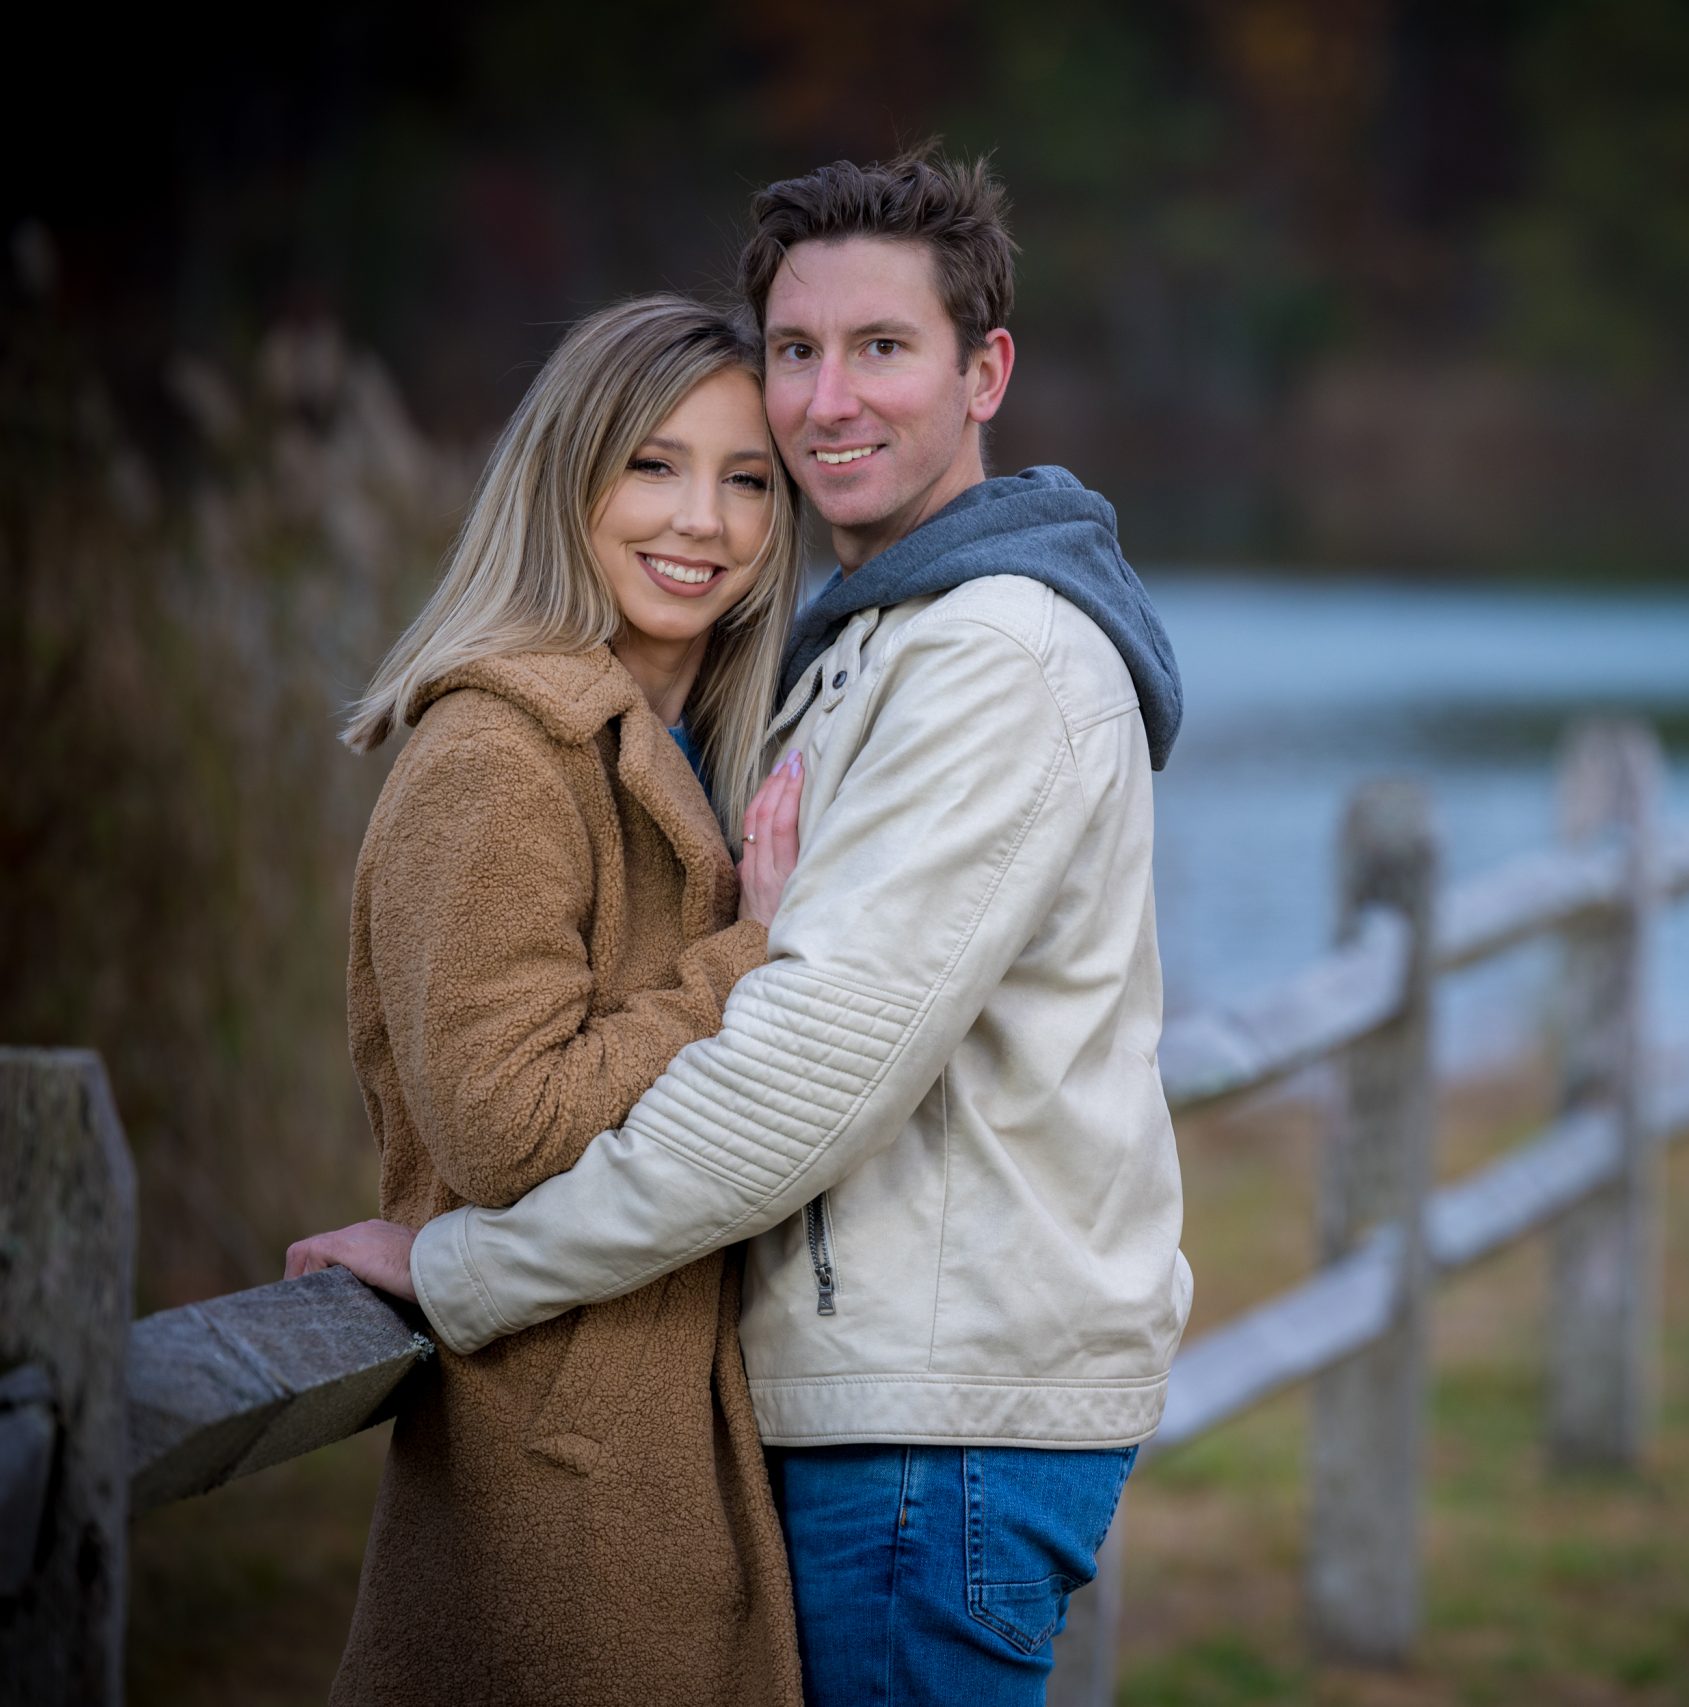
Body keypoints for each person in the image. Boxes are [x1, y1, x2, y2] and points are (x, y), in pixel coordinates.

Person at [293, 148, 1194, 1705]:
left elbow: (799, 1082)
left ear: (986, 372)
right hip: (872, 1409)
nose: (828, 399)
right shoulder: (858, 648)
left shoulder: (990, 662)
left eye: (884, 349)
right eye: (798, 351)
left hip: (928, 1431)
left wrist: (464, 1272)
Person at [292, 294, 811, 1706]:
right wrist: (751, 949)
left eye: (748, 478)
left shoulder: (707, 747)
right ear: (565, 476)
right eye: (653, 464)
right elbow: (506, 1125)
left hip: (680, 1430)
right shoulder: (497, 756)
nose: (701, 518)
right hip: (560, 1462)